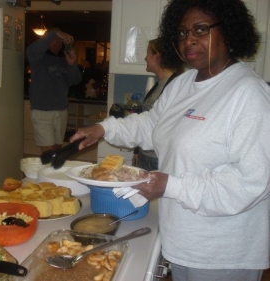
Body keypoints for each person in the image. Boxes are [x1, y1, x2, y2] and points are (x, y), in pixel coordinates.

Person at [70, 0, 270, 280]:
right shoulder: (182, 85)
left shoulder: (250, 95)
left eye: (200, 30)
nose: (189, 40)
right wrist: (104, 129)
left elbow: (250, 183)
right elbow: (152, 125)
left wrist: (170, 185)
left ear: (230, 31)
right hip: (180, 237)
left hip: (222, 251)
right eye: (182, 32)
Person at [26, 29, 82, 153]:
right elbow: (31, 50)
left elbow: (75, 80)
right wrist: (55, 33)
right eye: (53, 40)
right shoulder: (38, 59)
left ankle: (52, 172)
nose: (57, 42)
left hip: (61, 112)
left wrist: (71, 64)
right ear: (47, 41)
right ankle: (45, 172)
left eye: (59, 40)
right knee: (48, 152)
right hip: (42, 112)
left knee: (57, 150)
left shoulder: (63, 61)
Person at [133, 38, 184, 171]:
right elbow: (146, 121)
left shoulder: (176, 86)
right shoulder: (158, 85)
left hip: (158, 159)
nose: (145, 58)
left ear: (157, 56)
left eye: (147, 53)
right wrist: (137, 151)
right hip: (146, 155)